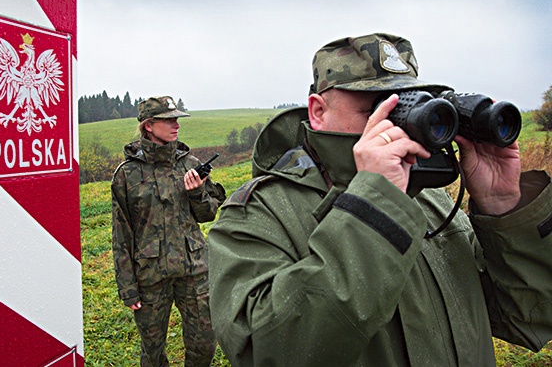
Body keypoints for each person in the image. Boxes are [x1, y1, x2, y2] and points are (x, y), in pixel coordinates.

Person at [208, 33, 552, 366]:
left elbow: (525, 318)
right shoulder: (259, 214)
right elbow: (271, 353)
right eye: (375, 108)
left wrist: (504, 208)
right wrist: (374, 207)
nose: (396, 126)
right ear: (317, 111)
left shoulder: (430, 201)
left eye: (408, 105)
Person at [111, 96, 226, 367]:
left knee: (204, 343)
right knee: (152, 352)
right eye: (169, 120)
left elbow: (208, 214)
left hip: (194, 269)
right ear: (149, 126)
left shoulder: (190, 164)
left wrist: (197, 192)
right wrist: (128, 287)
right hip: (151, 276)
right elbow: (121, 234)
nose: (177, 125)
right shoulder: (126, 175)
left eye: (177, 119)